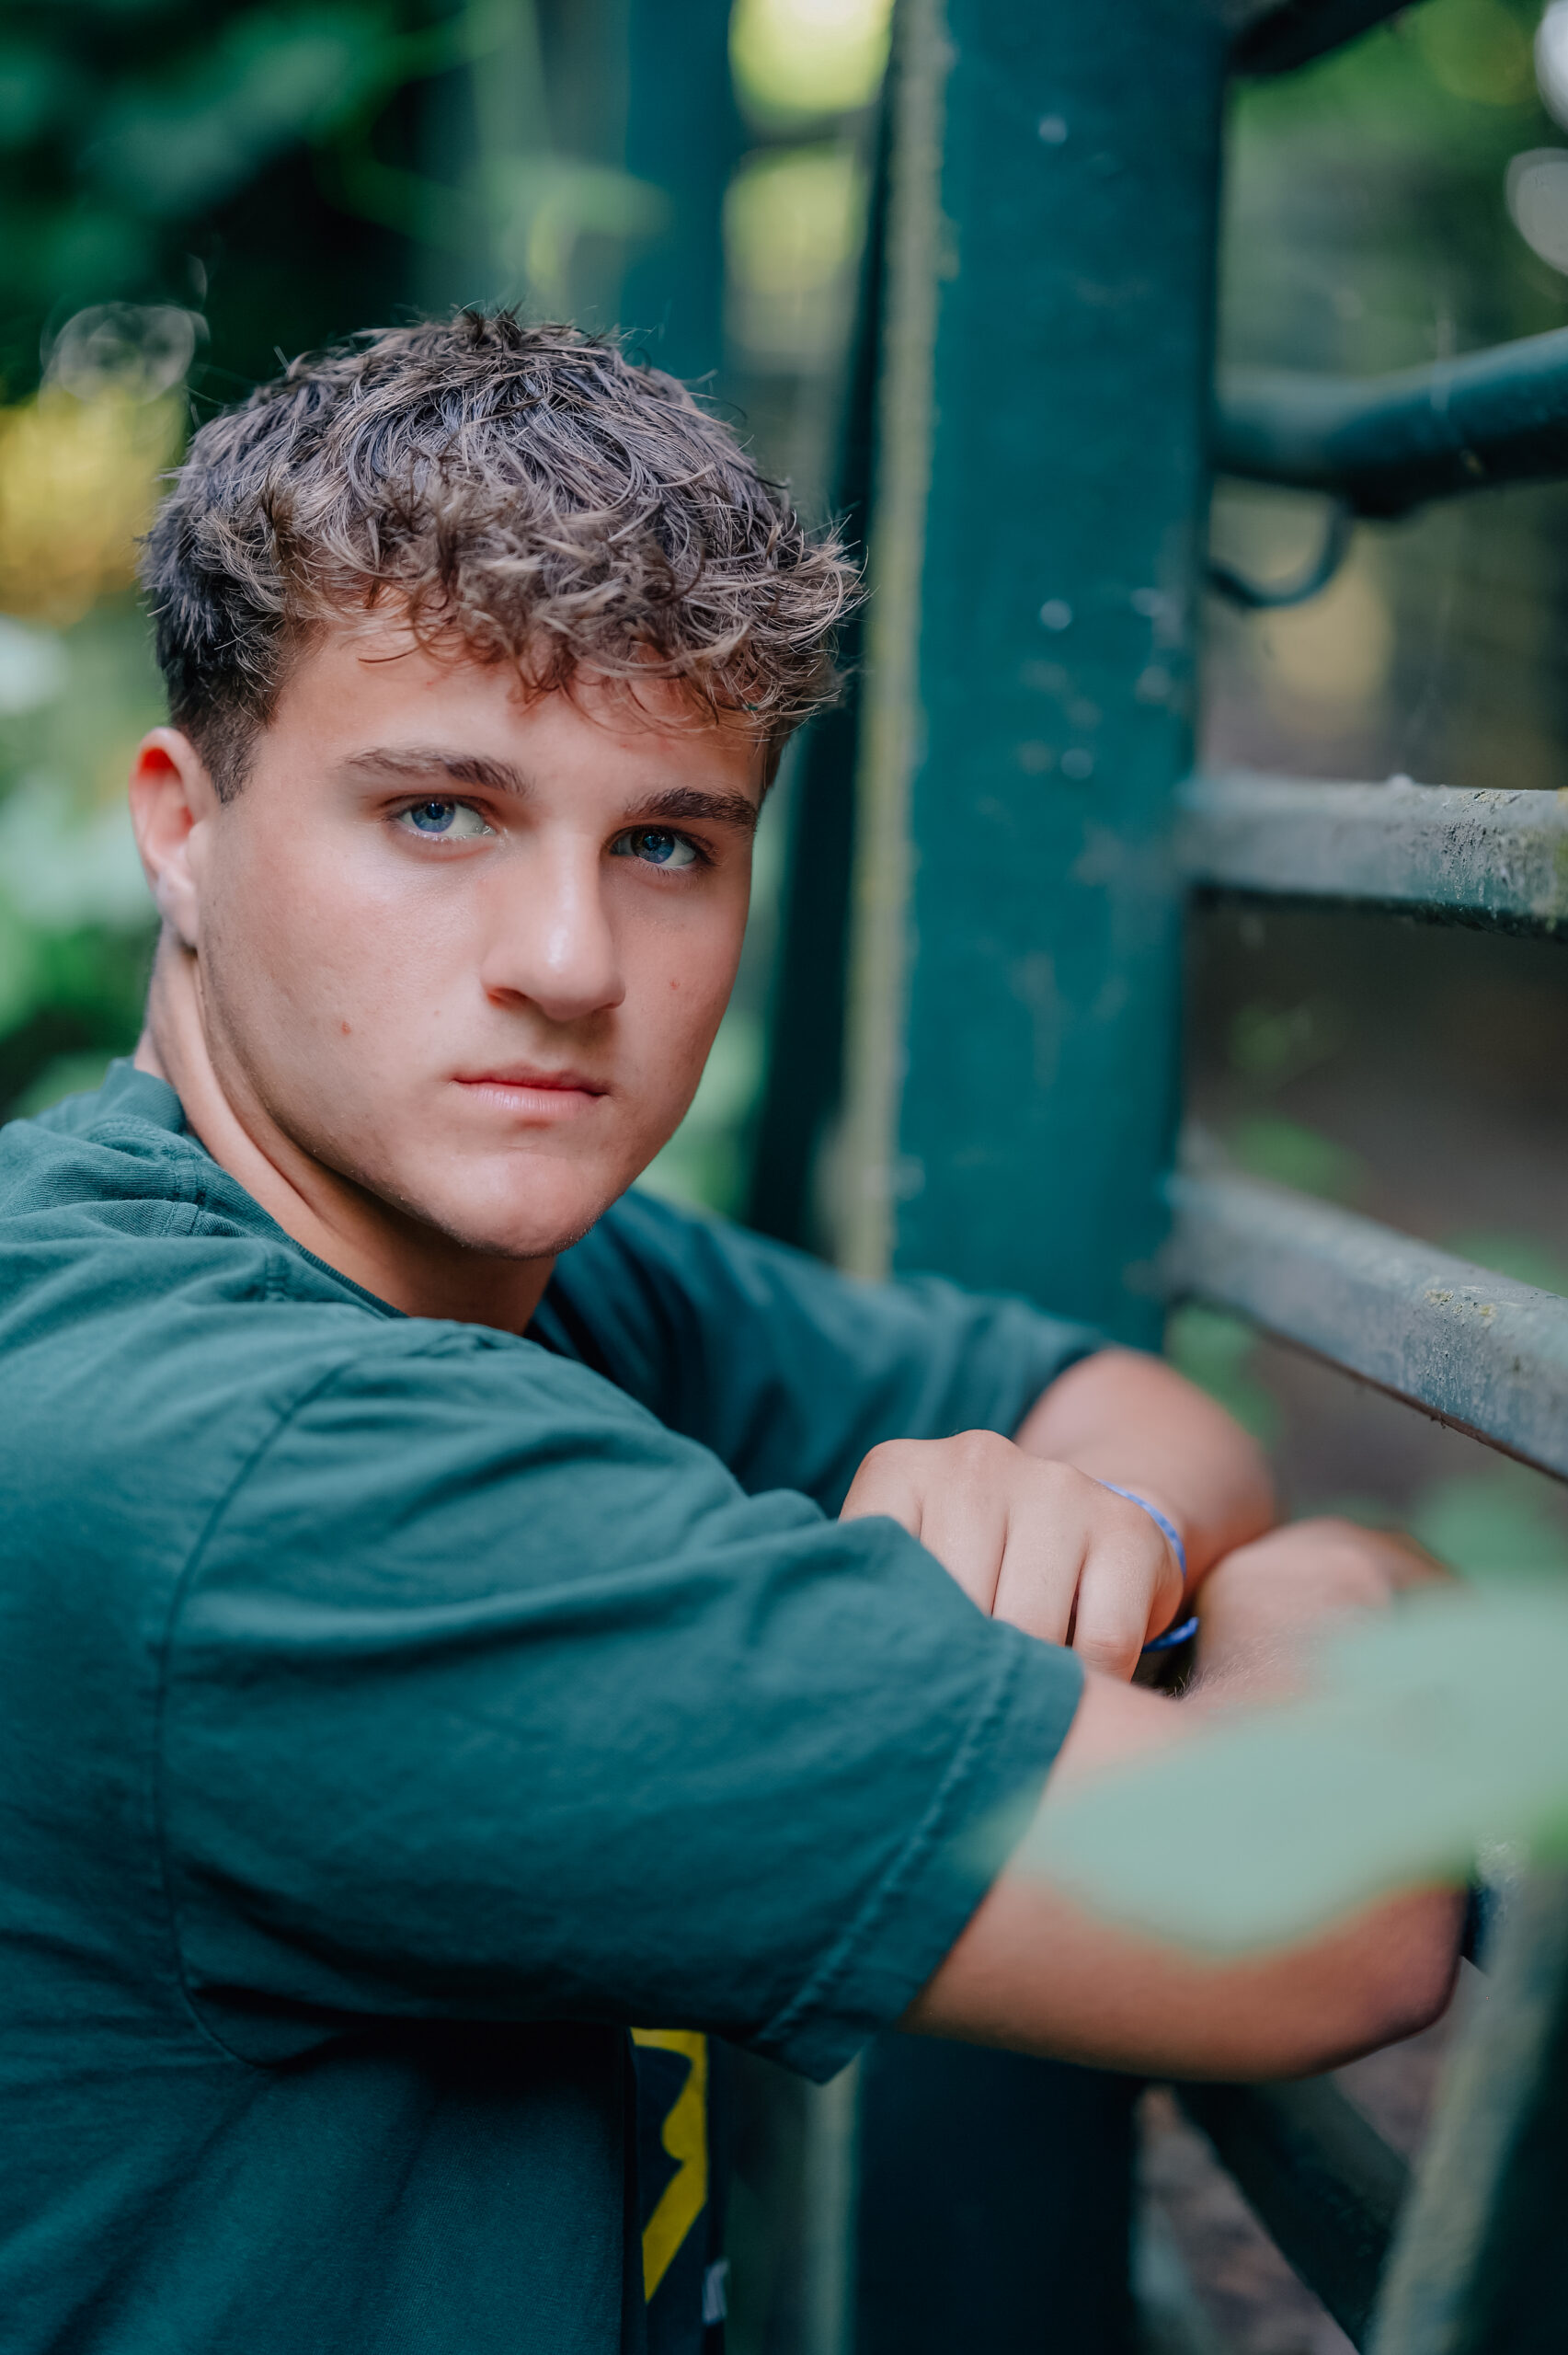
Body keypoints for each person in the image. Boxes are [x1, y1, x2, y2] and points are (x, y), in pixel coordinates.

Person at [0, 312, 1459, 2355]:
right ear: (180, 821)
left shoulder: (502, 1262)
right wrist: (1333, 1575)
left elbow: (1103, 1393)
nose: (569, 961)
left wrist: (1098, 1501)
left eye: (667, 841)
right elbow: (1322, 1914)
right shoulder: (267, 1478)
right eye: (438, 812)